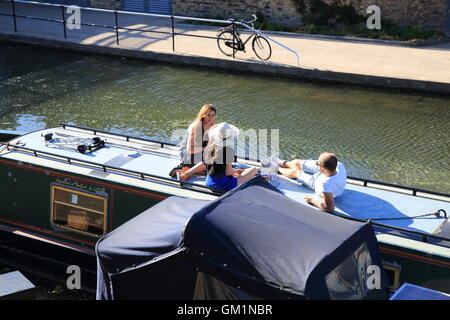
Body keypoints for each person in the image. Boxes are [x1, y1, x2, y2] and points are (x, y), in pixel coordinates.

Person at [265, 152, 346, 212]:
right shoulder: (339, 165)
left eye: (318, 163)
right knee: (298, 163)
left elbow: (330, 208)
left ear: (322, 167)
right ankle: (282, 163)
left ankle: (277, 168)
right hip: (326, 172)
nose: (316, 163)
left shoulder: (325, 184)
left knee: (295, 172)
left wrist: (312, 201)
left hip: (316, 183)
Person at [203, 122, 257, 191]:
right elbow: (228, 172)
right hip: (222, 185)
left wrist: (235, 171)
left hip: (209, 182)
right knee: (254, 170)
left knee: (239, 173)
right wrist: (237, 171)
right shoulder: (228, 150)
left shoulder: (210, 147)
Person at [171, 104, 216, 178]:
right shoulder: (196, 126)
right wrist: (206, 149)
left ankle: (189, 169)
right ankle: (182, 170)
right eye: (208, 115)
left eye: (213, 115)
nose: (211, 118)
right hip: (187, 153)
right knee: (213, 165)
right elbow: (190, 150)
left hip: (200, 150)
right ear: (203, 114)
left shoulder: (212, 124)